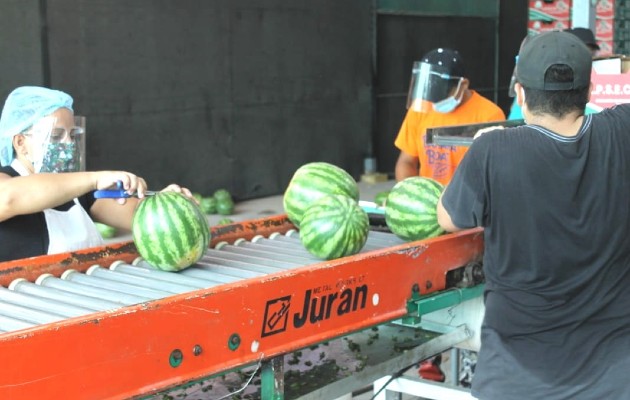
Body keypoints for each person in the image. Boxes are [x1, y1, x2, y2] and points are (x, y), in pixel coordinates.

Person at [437, 31, 630, 399]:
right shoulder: (623, 130)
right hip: (617, 375)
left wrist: (478, 152)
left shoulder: (493, 150)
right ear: (589, 92)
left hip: (517, 378)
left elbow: (449, 218)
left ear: (521, 94)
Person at [0, 86, 194, 262]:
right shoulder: (7, 180)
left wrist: (170, 205)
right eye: (56, 136)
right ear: (20, 143)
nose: (68, 144)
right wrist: (95, 178)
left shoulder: (78, 191)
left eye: (73, 135)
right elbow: (9, 197)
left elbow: (143, 219)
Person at [394, 48, 505, 185]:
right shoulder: (421, 109)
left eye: (440, 96)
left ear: (463, 85)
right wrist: (410, 194)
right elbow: (406, 162)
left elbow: (494, 175)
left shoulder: (489, 115)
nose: (434, 104)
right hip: (429, 200)